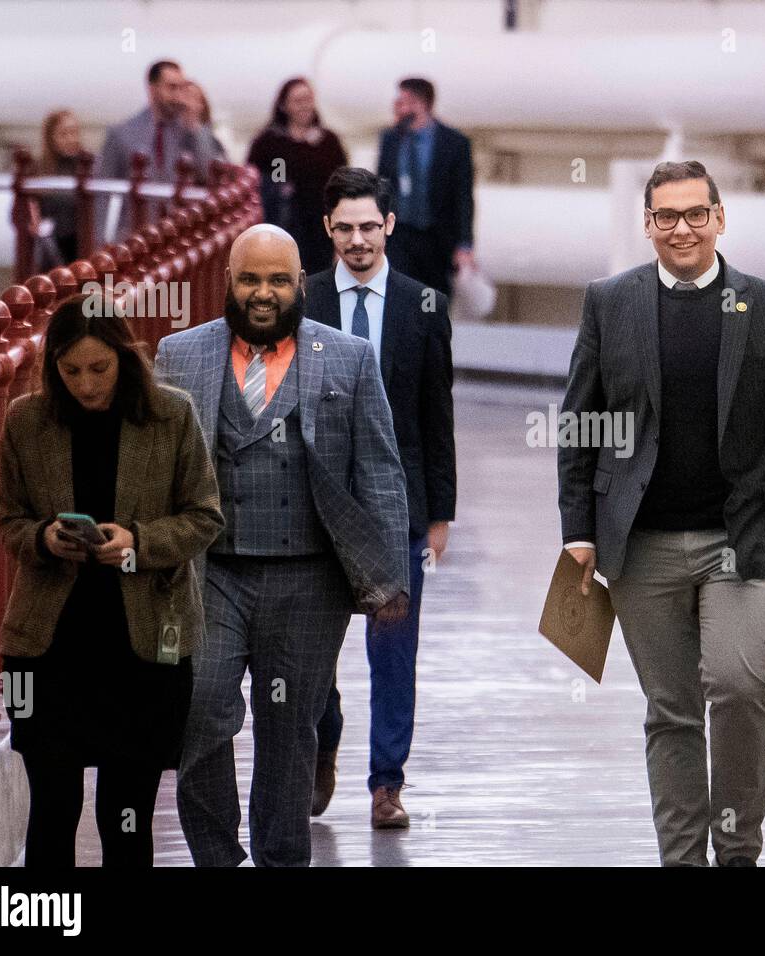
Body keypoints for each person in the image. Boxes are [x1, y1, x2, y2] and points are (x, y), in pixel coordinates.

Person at [557, 160, 765, 866]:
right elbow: (580, 424)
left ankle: (738, 847)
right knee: (672, 712)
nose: (682, 228)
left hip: (744, 539)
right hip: (640, 544)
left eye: (695, 214)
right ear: (647, 225)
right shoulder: (609, 302)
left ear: (720, 218)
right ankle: (682, 859)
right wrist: (579, 533)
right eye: (666, 217)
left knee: (739, 685)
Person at [153, 223, 411, 867]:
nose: (262, 293)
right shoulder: (178, 354)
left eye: (276, 280)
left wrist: (389, 580)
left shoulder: (349, 358)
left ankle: (281, 858)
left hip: (310, 579)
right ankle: (216, 855)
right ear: (228, 282)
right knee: (202, 710)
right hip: (210, 575)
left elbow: (378, 470)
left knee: (290, 730)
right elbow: (154, 473)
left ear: (300, 284)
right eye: (248, 279)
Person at [0, 293, 223, 866]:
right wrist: (45, 537)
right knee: (51, 806)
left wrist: (138, 544)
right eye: (70, 371)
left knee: (126, 815)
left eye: (100, 368)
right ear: (52, 368)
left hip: (143, 648)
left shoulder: (172, 415)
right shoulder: (25, 419)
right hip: (47, 649)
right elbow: (8, 521)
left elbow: (204, 518)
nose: (87, 385)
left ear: (125, 359)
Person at [304, 168, 456, 827]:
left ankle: (386, 783)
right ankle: (324, 735)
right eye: (345, 228)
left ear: (389, 225)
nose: (359, 240)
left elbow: (435, 412)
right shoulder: (302, 299)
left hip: (399, 510)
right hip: (316, 503)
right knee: (309, 645)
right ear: (327, 229)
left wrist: (440, 512)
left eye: (370, 226)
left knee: (393, 649)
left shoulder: (424, 305)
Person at [95, 60, 224, 236]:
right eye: (172, 88)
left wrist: (195, 129)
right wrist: (103, 239)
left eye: (181, 88)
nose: (178, 96)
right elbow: (102, 192)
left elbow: (211, 173)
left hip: (181, 234)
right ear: (153, 89)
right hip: (135, 236)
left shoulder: (190, 132)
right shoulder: (122, 134)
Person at [377, 77, 474, 295]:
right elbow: (381, 188)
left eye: (402, 102)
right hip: (400, 235)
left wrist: (465, 244)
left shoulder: (454, 143)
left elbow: (463, 197)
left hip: (437, 237)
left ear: (420, 104)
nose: (397, 108)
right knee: (400, 297)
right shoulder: (391, 139)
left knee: (433, 301)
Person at [247, 77, 349, 276]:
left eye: (308, 99)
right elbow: (259, 183)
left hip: (321, 232)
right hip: (282, 227)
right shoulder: (270, 142)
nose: (304, 106)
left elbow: (342, 186)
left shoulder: (328, 142)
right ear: (284, 105)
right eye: (298, 100)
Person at [34, 109, 85, 267]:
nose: (71, 139)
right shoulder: (40, 170)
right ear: (51, 138)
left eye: (74, 132)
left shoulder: (87, 166)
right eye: (64, 134)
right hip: (51, 250)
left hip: (82, 247)